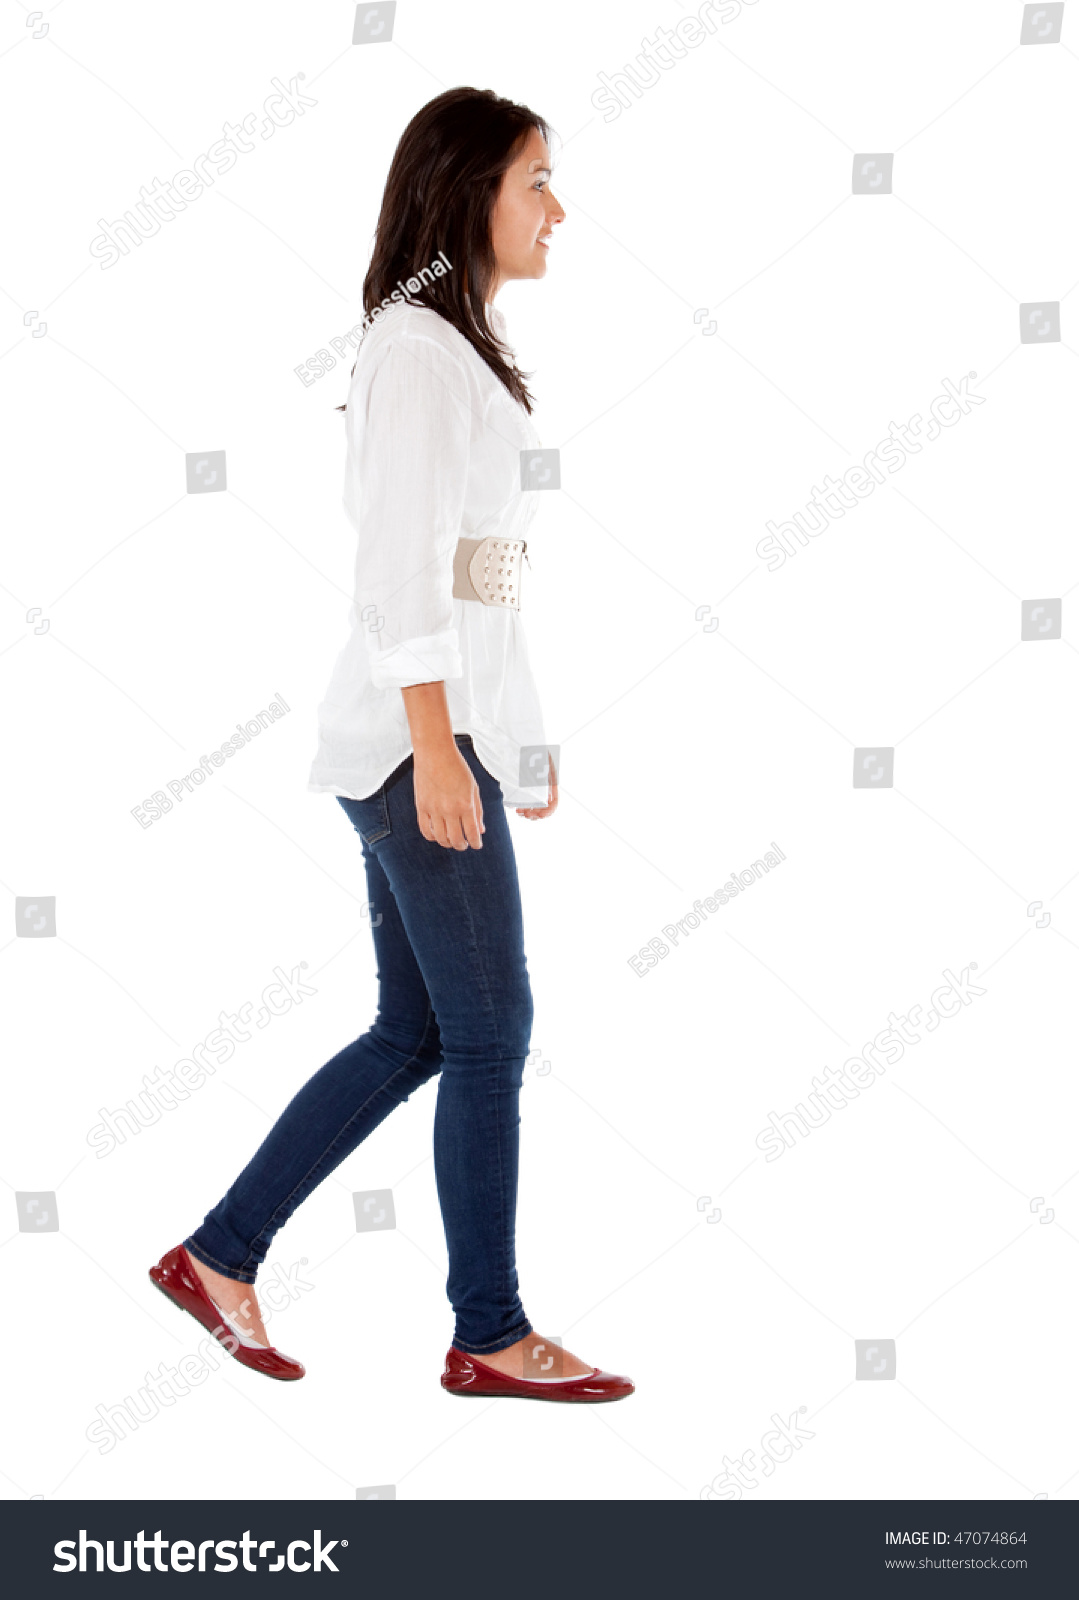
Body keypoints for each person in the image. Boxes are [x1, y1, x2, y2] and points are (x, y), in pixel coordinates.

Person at [149, 88, 634, 1404]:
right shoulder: (413, 346)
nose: (557, 209)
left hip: (437, 731)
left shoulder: (450, 348)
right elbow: (397, 573)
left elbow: (484, 574)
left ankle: (218, 1255)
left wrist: (514, 735)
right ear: (468, 187)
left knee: (420, 1033)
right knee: (490, 1031)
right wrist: (441, 749)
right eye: (536, 180)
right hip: (411, 741)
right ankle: (490, 1331)